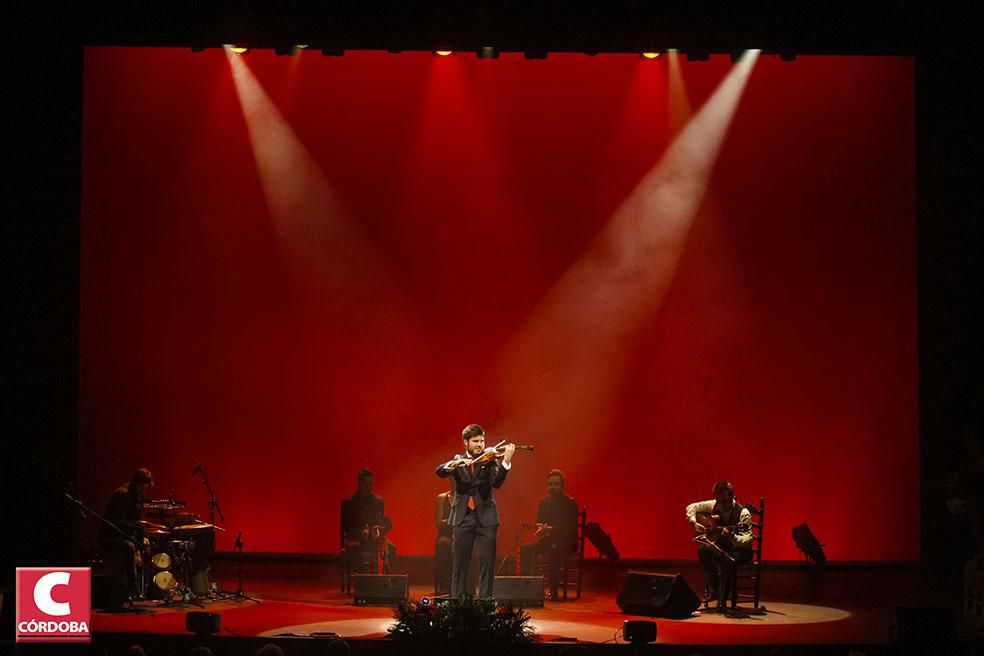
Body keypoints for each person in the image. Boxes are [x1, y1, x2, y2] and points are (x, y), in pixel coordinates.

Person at [436, 424, 515, 598]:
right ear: (466, 442)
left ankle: (485, 603)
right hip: (462, 518)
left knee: (487, 564)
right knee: (459, 565)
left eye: (482, 440)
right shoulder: (458, 461)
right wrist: (455, 464)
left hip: (486, 518)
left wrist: (506, 462)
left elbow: (496, 483)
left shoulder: (490, 460)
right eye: (475, 441)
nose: (480, 444)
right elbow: (440, 471)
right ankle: (457, 603)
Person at [685, 480, 752, 609]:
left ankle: (722, 600)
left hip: (741, 550)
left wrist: (732, 536)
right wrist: (694, 523)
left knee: (728, 560)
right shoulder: (714, 505)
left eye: (725, 501)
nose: (721, 505)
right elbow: (691, 507)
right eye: (718, 501)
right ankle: (715, 589)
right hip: (723, 548)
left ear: (731, 497)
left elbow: (747, 539)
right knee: (703, 551)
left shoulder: (743, 513)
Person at [520, 468, 579, 600]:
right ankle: (525, 588)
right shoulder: (544, 503)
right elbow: (538, 522)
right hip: (550, 539)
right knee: (525, 549)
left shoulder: (570, 503)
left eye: (556, 484)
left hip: (567, 542)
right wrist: (540, 528)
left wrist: (551, 529)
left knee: (554, 550)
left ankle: (553, 593)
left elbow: (569, 528)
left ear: (562, 486)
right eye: (550, 484)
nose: (553, 487)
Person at [98, 468, 153, 597]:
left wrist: (142, 539)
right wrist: (136, 544)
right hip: (111, 535)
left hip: (127, 533)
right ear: (137, 483)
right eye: (143, 487)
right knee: (129, 547)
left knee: (148, 544)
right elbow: (119, 523)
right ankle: (132, 587)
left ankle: (146, 586)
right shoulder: (123, 494)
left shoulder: (138, 495)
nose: (144, 491)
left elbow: (136, 520)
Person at [341, 468, 396, 574]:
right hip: (356, 539)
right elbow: (346, 527)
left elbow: (380, 522)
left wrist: (377, 531)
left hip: (373, 538)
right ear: (359, 483)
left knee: (391, 548)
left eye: (371, 483)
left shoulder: (378, 502)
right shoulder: (349, 503)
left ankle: (383, 579)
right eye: (366, 484)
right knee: (357, 551)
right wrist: (359, 534)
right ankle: (363, 580)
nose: (369, 487)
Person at [435, 480, 454, 595]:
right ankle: (444, 584)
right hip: (446, 534)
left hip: (463, 533)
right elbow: (439, 523)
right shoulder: (443, 498)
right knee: (443, 544)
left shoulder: (469, 497)